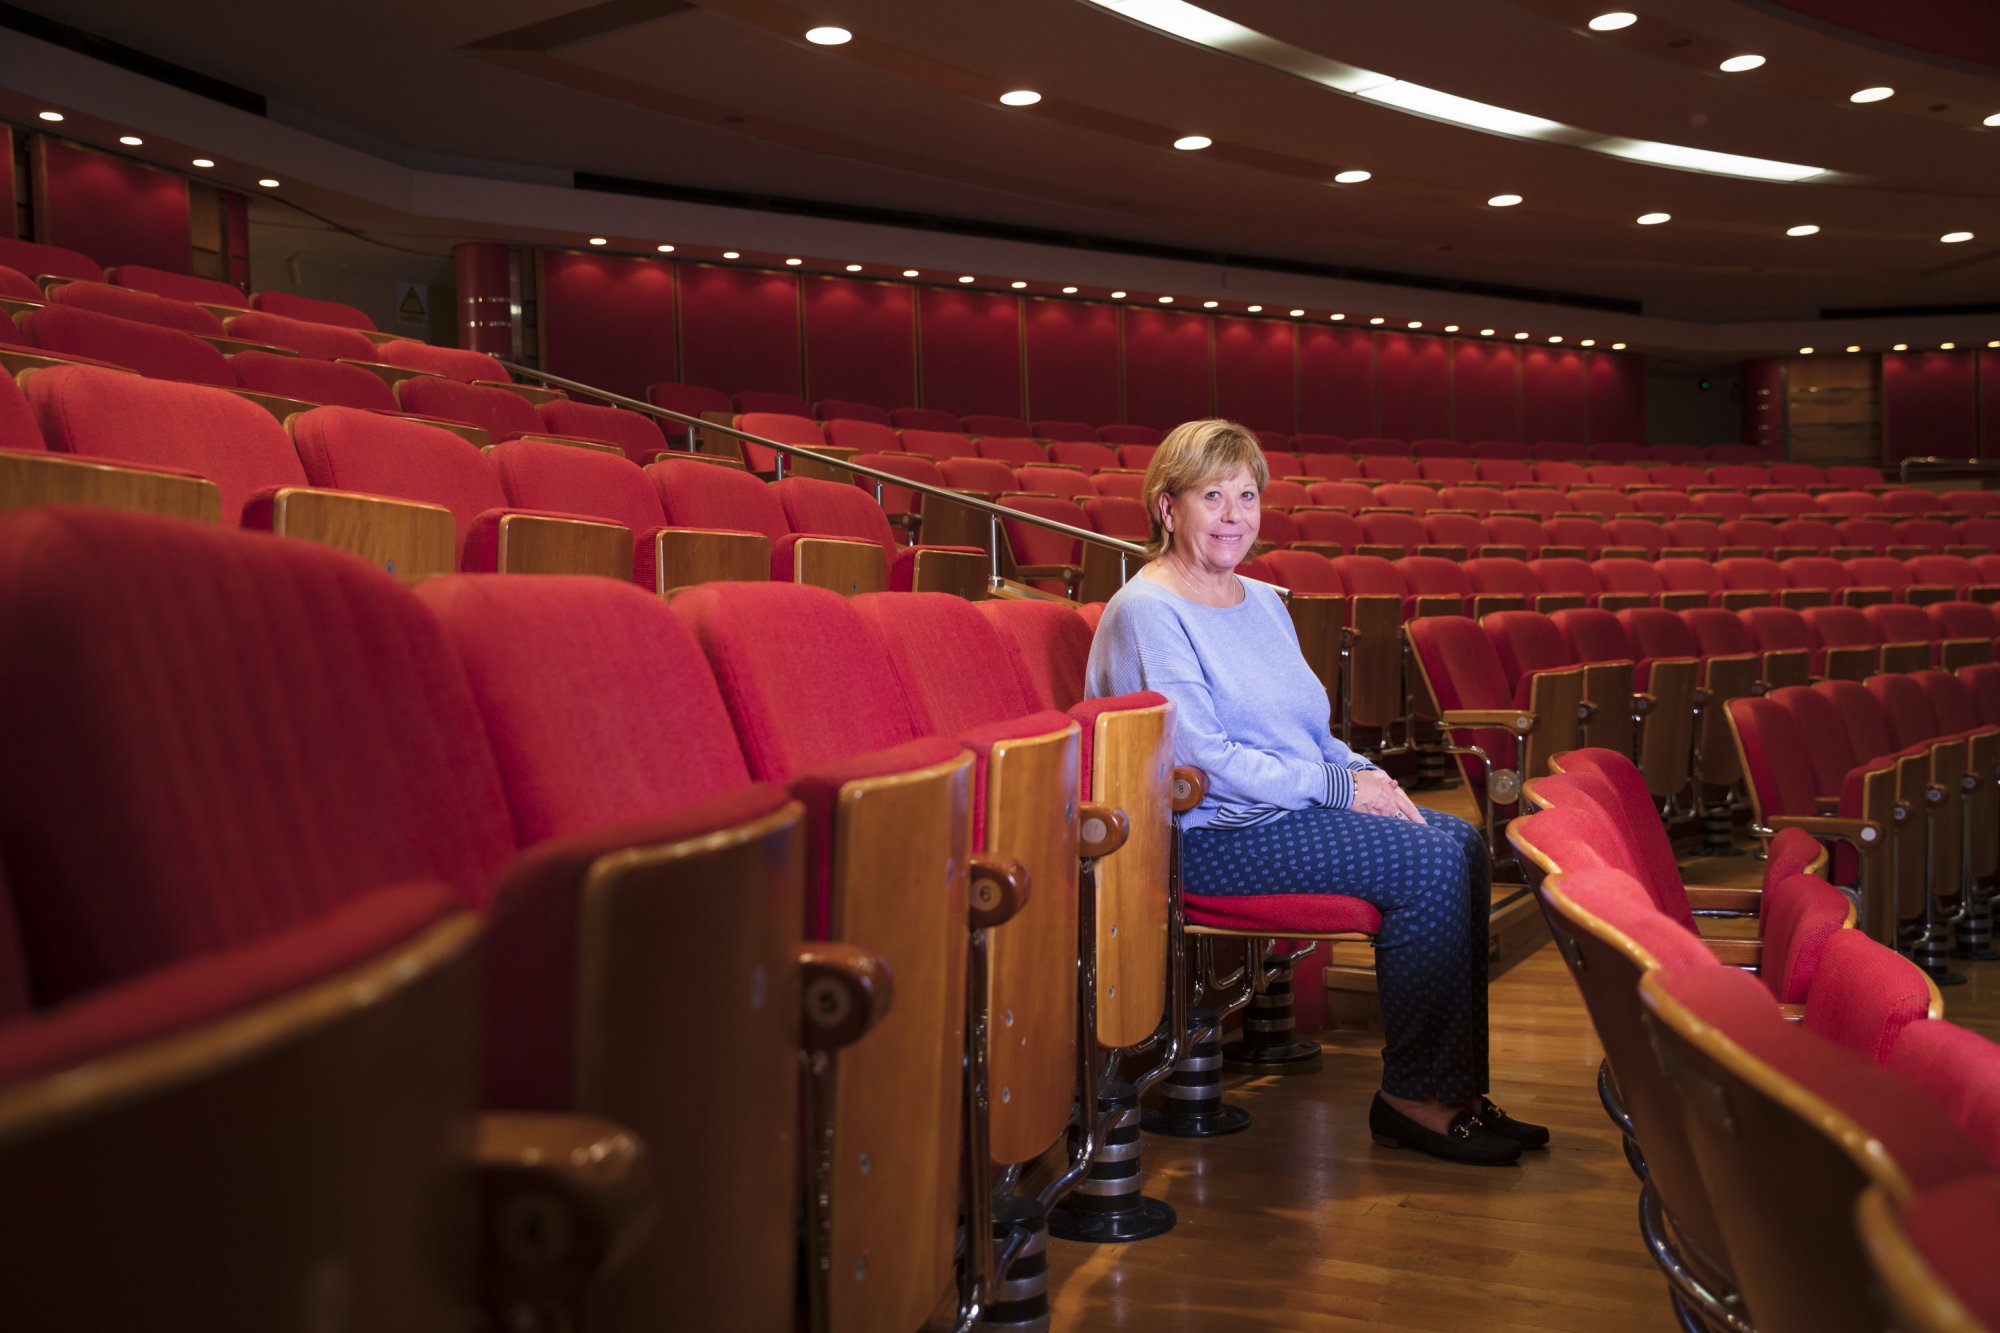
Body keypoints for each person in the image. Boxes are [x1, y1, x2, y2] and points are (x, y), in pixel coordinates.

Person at [1085, 418, 1546, 1166]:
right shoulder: (1149, 608)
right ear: (1168, 508)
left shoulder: (1263, 600)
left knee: (1459, 842)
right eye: (1213, 496)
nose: (1235, 514)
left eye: (1247, 494)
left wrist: (1368, 773)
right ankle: (1413, 1099)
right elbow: (1208, 756)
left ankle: (1454, 1089)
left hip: (1281, 811)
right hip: (1210, 837)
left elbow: (1309, 728)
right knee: (1423, 864)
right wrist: (1338, 787)